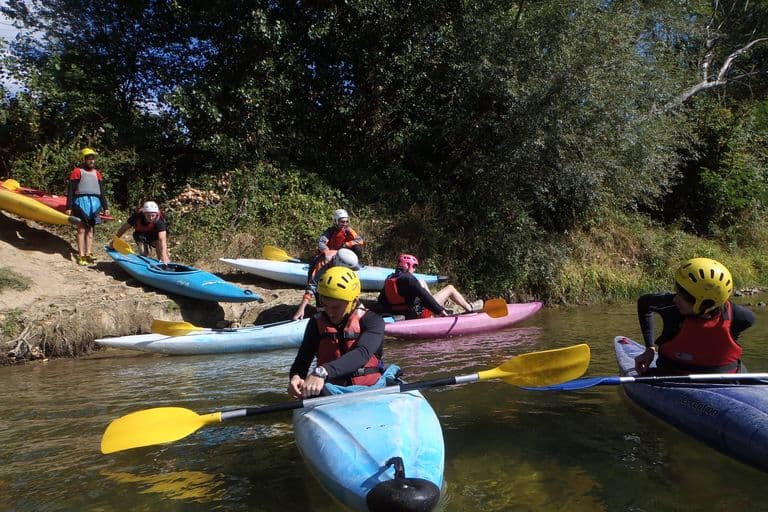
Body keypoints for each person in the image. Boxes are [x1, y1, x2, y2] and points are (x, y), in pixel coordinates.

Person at [634, 257, 755, 376]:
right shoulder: (671, 307)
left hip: (726, 379)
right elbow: (644, 302)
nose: (675, 299)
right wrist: (649, 348)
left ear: (703, 304)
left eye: (682, 296)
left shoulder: (740, 316)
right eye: (677, 292)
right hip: (672, 376)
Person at [288, 266, 386, 399]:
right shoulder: (316, 323)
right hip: (331, 393)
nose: (330, 312)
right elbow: (302, 361)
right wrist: (296, 377)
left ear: (353, 301)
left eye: (336, 307)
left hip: (370, 389)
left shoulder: (373, 321)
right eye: (325, 305)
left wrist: (322, 371)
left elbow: (362, 354)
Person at [377, 253, 482, 319]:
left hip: (401, 313)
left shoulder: (389, 278)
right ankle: (470, 310)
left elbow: (381, 300)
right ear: (408, 265)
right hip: (417, 313)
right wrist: (440, 311)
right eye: (414, 266)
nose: (414, 269)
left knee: (421, 282)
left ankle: (439, 310)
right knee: (450, 288)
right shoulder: (409, 279)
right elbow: (424, 295)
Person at [65, 147, 110, 265]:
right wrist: (68, 207)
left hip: (95, 203)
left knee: (91, 229)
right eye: (89, 158)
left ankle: (89, 253)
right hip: (81, 202)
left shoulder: (97, 174)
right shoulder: (77, 171)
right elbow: (71, 190)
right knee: (81, 229)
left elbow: (101, 191)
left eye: (93, 158)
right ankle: (81, 255)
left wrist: (106, 207)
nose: (92, 161)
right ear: (84, 159)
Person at [292, 248, 361, 320]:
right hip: (316, 268)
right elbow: (312, 286)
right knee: (321, 291)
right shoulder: (322, 266)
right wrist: (301, 308)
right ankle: (321, 314)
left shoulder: (342, 258)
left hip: (334, 269)